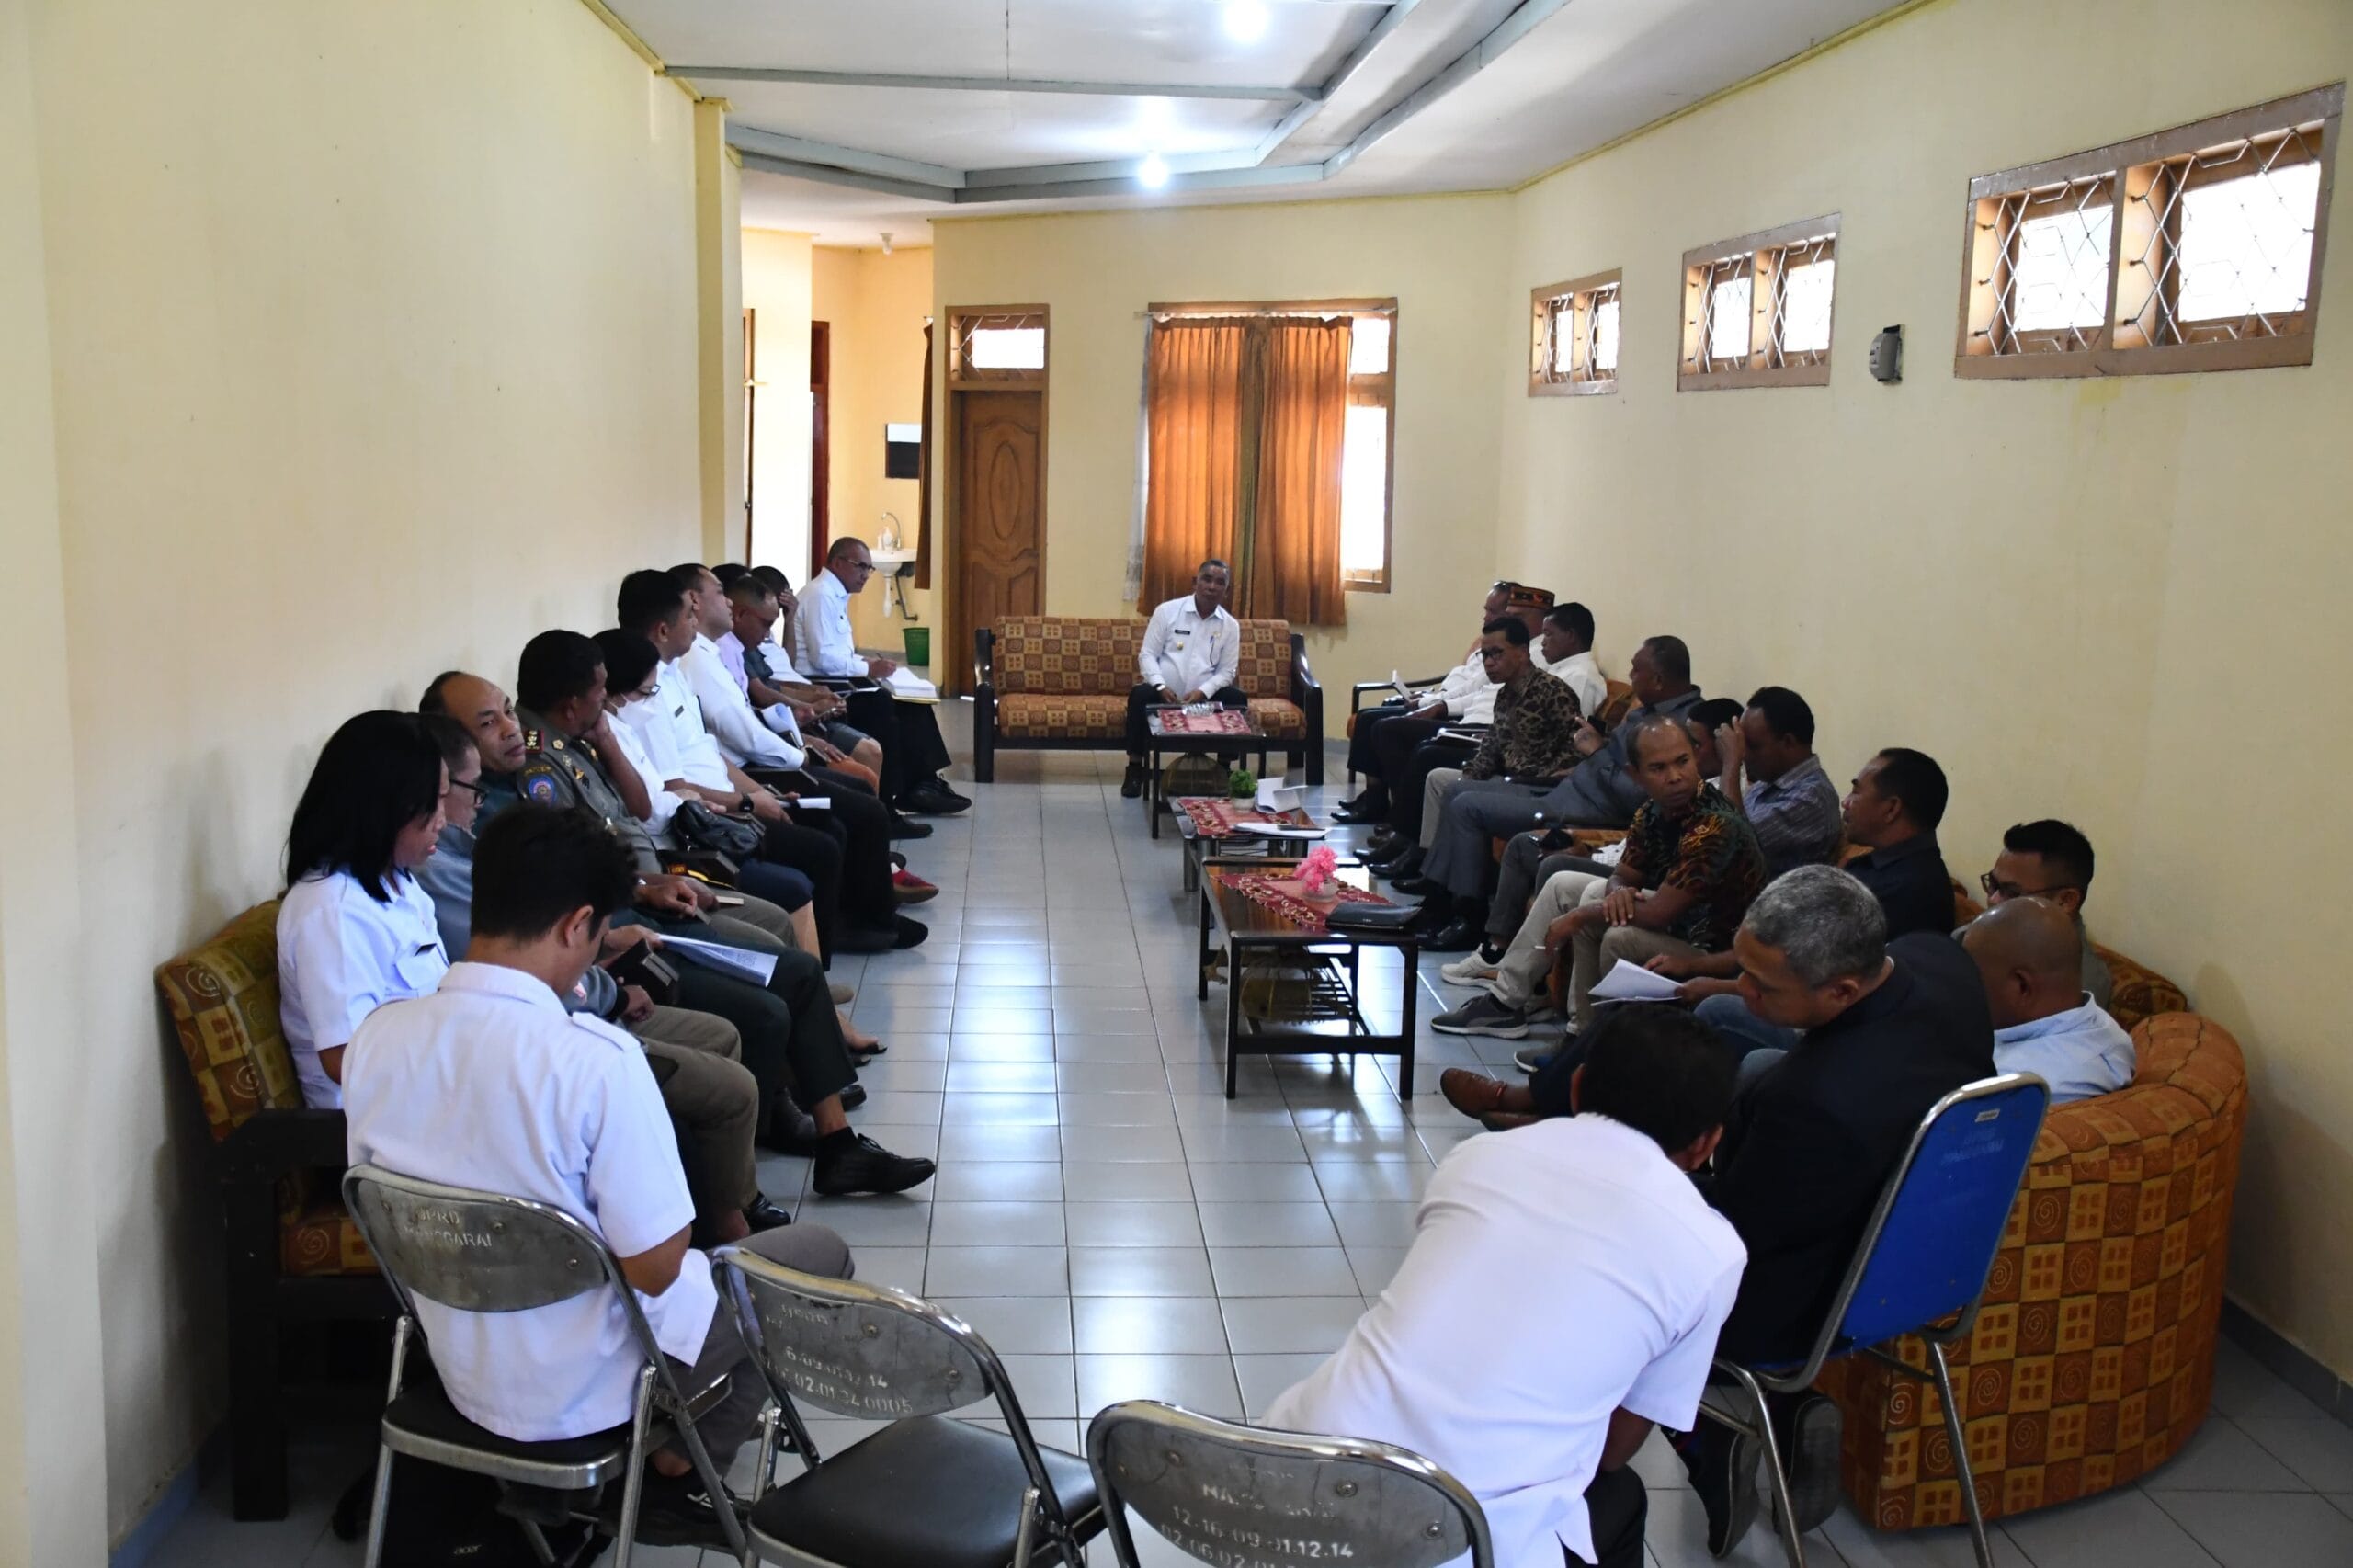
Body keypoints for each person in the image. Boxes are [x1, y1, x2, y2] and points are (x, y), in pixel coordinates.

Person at [342, 803, 857, 1550]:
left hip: (457, 1366)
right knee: (814, 1256)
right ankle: (674, 1473)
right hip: (590, 1386)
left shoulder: (376, 1039)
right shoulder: (594, 1062)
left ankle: (666, 1463)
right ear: (577, 925)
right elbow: (654, 1268)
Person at [1265, 1006, 1745, 1568]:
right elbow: (1614, 1451)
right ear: (1706, 1144)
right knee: (1618, 1496)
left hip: (1284, 1482)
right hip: (1447, 1539)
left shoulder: (1478, 1156)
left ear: (1575, 1087)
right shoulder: (1712, 1252)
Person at [1683, 866, 1995, 1553]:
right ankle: (1787, 1410)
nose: (1741, 989)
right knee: (1759, 1068)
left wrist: (1650, 1180)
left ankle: (1714, 1442)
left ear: (1843, 991)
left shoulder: (1815, 1103)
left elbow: (1734, 1234)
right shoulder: (1941, 962)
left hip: (1820, 1299)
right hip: (1931, 1267)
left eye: (1762, 986)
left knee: (1621, 1274)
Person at [413, 714, 793, 1239]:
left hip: (543, 1019)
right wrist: (609, 993)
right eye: (450, 795)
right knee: (730, 1080)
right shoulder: (437, 875)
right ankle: (728, 1230)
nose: (510, 726)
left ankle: (725, 1197)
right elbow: (526, 963)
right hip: (539, 1042)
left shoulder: (456, 857)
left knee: (722, 1036)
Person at [609, 571, 926, 952]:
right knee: (827, 840)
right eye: (689, 615)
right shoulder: (647, 695)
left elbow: (711, 751)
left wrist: (763, 795)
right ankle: (854, 926)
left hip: (736, 790)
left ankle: (864, 917)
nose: (698, 619)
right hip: (704, 820)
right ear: (664, 629)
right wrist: (751, 800)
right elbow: (677, 786)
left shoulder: (676, 674)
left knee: (842, 815)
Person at [1433, 716, 1764, 1058]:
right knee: (1566, 884)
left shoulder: (1713, 825)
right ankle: (1513, 1006)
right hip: (1678, 925)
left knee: (1616, 932)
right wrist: (1618, 889)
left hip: (1717, 952)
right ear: (1635, 775)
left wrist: (1578, 917)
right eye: (1658, 768)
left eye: (1682, 762)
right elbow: (1624, 875)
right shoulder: (1652, 811)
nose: (1675, 776)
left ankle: (1589, 1045)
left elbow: (1658, 914)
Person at [1415, 637, 1705, 939]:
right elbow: (1620, 759)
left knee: (1467, 807)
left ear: (1658, 680)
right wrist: (1595, 751)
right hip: (1567, 787)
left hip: (1588, 809)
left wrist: (1597, 753)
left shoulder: (1681, 727)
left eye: (1636, 670)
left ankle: (1467, 916)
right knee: (1456, 790)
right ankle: (1437, 900)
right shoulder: (1645, 712)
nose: (1631, 677)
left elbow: (1639, 797)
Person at [1688, 746, 1957, 1067]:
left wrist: (1717, 983)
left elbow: (1818, 981)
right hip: (1795, 988)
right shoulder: (1875, 865)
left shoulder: (1909, 889)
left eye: (1857, 791)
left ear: (1891, 809)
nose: (1846, 802)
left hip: (1843, 1032)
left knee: (1716, 1010)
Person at [276, 711, 452, 1108]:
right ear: (388, 807)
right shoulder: (332, 911)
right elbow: (347, 1060)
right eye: (434, 802)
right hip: (377, 1123)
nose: (443, 820)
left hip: (428, 1097)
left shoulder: (396, 880)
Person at [1396, 618, 1588, 949]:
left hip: (1545, 788)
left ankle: (1467, 912)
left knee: (1464, 801)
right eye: (1485, 655)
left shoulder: (1553, 692)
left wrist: (1548, 774)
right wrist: (1470, 776)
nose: (1489, 662)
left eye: (1497, 653)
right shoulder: (1506, 695)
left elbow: (1578, 753)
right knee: (1451, 786)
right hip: (1514, 780)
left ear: (1523, 652)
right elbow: (1490, 751)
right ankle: (1439, 896)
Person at [791, 538, 968, 816]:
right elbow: (822, 659)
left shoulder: (834, 594)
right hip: (823, 686)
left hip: (835, 679)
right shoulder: (821, 595)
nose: (866, 575)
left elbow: (838, 653)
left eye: (869, 568)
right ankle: (899, 796)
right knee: (884, 703)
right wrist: (868, 670)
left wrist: (866, 662)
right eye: (860, 566)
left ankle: (923, 785)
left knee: (913, 703)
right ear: (838, 563)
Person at [1333, 580, 1515, 824]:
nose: (1485, 616)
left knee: (1387, 728)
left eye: (1493, 611)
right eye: (1486, 609)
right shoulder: (1486, 643)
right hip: (1449, 701)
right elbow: (1464, 683)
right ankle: (1376, 799)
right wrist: (1430, 698)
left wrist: (1435, 703)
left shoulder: (1509, 652)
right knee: (1368, 717)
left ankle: (1399, 815)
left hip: (1461, 715)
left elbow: (1476, 690)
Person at [1961, 895, 2136, 1102]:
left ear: (2022, 986)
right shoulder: (2094, 1022)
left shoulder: (2022, 1086)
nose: (1964, 991)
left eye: (1972, 978)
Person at [1121, 558, 1245, 799]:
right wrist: (1160, 685)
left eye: (1220, 582)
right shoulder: (1167, 612)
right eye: (1207, 579)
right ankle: (1135, 769)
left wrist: (1203, 692)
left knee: (1236, 698)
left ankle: (1223, 769)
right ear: (1194, 582)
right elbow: (1148, 654)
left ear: (1227, 590)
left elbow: (1227, 671)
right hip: (1163, 693)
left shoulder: (1230, 626)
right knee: (1139, 695)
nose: (1212, 587)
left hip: (1203, 698)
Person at [1976, 818, 2115, 1010]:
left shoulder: (2080, 983)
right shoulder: (1978, 933)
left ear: (2065, 900)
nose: (1993, 900)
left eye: (2012, 892)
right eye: (1993, 884)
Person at [1713, 687, 1842, 880]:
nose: (1745, 755)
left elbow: (1730, 841)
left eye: (1753, 746)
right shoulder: (1768, 783)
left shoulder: (1812, 797)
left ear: (1788, 742)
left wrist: (1731, 761)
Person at [1534, 600, 1608, 718]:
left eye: (1548, 634)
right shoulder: (1563, 670)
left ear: (1570, 636)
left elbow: (1573, 726)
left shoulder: (1581, 677)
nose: (1543, 643)